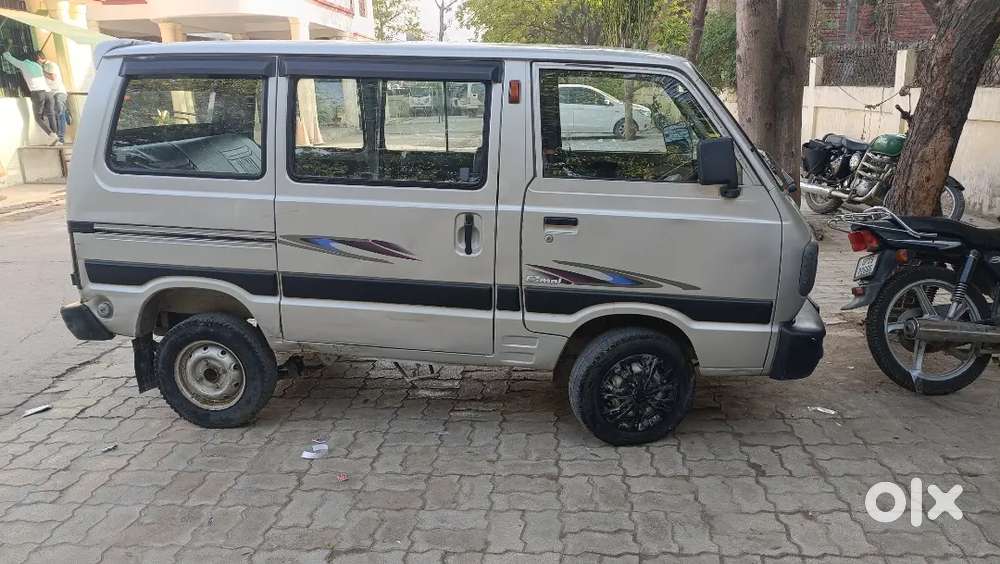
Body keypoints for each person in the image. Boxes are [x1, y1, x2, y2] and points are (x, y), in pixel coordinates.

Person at [0, 39, 57, 141]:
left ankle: (52, 136)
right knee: (51, 113)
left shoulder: (24, 64)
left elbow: (8, 57)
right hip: (48, 92)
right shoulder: (38, 66)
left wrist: (7, 47)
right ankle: (56, 136)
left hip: (38, 93)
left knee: (37, 118)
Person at [37, 51, 68, 144]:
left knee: (59, 112)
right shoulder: (41, 67)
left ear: (39, 57)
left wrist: (40, 71)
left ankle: (61, 138)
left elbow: (53, 77)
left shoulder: (51, 65)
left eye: (36, 60)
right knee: (52, 115)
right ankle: (57, 137)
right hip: (50, 94)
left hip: (59, 92)